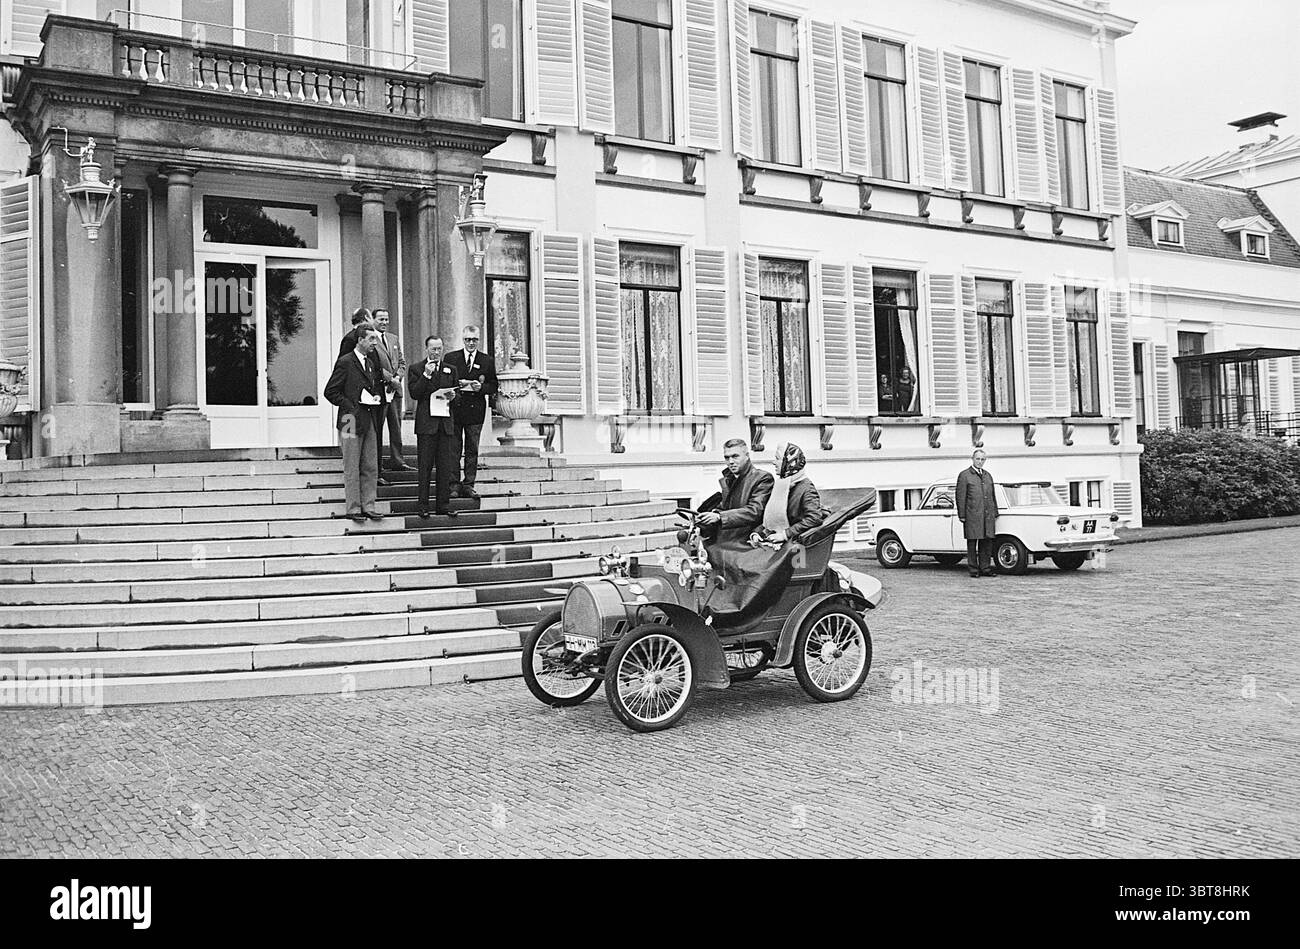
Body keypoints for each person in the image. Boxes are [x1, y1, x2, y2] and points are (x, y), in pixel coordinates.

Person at [324, 322, 385, 523]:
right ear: (359, 340)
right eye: (371, 339)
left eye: (375, 339)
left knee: (370, 465)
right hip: (349, 419)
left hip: (368, 418)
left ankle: (369, 505)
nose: (374, 343)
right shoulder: (345, 362)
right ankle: (353, 507)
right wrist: (349, 404)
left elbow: (372, 387)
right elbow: (330, 391)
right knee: (351, 464)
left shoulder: (370, 362)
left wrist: (376, 396)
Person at [441, 324, 498, 499]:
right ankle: (453, 485)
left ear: (478, 340)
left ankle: (469, 484)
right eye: (467, 340)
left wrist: (481, 387)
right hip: (456, 410)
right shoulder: (451, 357)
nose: (471, 343)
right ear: (463, 340)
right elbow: (444, 381)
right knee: (454, 449)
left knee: (472, 449)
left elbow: (494, 385)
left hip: (475, 412)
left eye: (474, 340)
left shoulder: (487, 360)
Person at [407, 335, 460, 518]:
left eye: (439, 349)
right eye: (433, 349)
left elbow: (457, 395)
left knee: (445, 467)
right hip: (426, 425)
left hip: (445, 424)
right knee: (425, 467)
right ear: (426, 349)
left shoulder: (450, 369)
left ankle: (443, 505)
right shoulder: (416, 369)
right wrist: (426, 375)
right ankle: (423, 505)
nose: (437, 352)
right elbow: (415, 394)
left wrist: (454, 397)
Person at [698, 439, 774, 550]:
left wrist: (719, 517)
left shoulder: (762, 478)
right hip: (727, 539)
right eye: (727, 458)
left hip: (746, 542)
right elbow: (724, 507)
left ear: (747, 456)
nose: (731, 461)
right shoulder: (729, 479)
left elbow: (754, 511)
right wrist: (706, 518)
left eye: (735, 456)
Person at [758, 441, 826, 544]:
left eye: (777, 459)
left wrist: (785, 535)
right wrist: (757, 533)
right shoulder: (781, 486)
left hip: (796, 549)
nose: (773, 462)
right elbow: (770, 519)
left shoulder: (806, 488)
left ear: (790, 462)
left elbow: (814, 518)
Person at [372, 308, 411, 474]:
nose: (384, 323)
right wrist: (390, 379)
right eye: (381, 319)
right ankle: (376, 463)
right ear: (373, 320)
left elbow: (402, 362)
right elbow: (373, 365)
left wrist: (398, 378)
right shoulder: (371, 339)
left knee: (396, 428)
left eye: (386, 319)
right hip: (380, 391)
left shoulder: (393, 338)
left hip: (395, 391)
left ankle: (397, 459)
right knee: (377, 428)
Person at [956, 449, 998, 577]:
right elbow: (960, 496)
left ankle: (985, 568)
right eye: (978, 459)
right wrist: (962, 515)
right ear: (973, 459)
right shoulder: (965, 475)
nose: (980, 462)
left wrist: (994, 511)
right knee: (973, 542)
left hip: (987, 515)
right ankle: (973, 569)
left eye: (982, 459)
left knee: (986, 542)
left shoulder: (987, 475)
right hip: (972, 515)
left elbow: (992, 495)